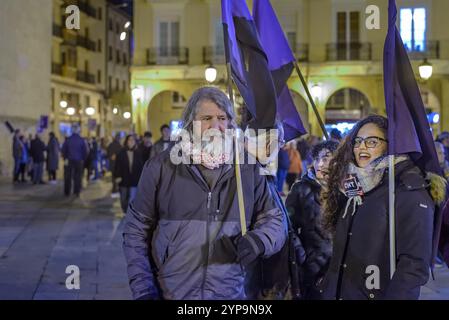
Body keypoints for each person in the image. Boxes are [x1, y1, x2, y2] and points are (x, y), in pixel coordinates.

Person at [123, 86, 286, 300]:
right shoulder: (161, 166)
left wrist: (260, 240)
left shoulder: (247, 168)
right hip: (171, 292)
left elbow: (275, 220)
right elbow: (135, 230)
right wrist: (143, 289)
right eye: (206, 118)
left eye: (222, 118)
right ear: (191, 123)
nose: (215, 126)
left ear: (230, 124)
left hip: (229, 293)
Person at [318, 115, 444, 300]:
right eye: (358, 141)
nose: (361, 147)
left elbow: (414, 265)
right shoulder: (353, 183)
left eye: (372, 142)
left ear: (390, 145)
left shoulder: (408, 189)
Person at [286, 140, 339, 299]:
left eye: (328, 158)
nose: (322, 164)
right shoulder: (301, 188)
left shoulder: (346, 189)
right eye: (318, 158)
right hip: (312, 266)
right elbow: (288, 226)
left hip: (340, 265)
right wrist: (301, 253)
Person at [115, 135, 144, 213]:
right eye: (129, 140)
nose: (131, 141)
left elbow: (141, 166)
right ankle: (124, 209)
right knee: (123, 197)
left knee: (132, 197)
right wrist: (117, 176)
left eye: (133, 140)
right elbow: (117, 166)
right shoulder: (121, 153)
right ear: (126, 141)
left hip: (134, 179)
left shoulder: (138, 153)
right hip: (123, 178)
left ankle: (129, 212)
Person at [62, 125, 88, 197]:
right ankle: (77, 191)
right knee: (78, 177)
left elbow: (63, 150)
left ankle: (67, 191)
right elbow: (85, 151)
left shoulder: (68, 140)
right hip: (79, 161)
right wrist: (83, 159)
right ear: (78, 130)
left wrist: (65, 158)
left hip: (69, 160)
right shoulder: (81, 140)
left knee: (68, 177)